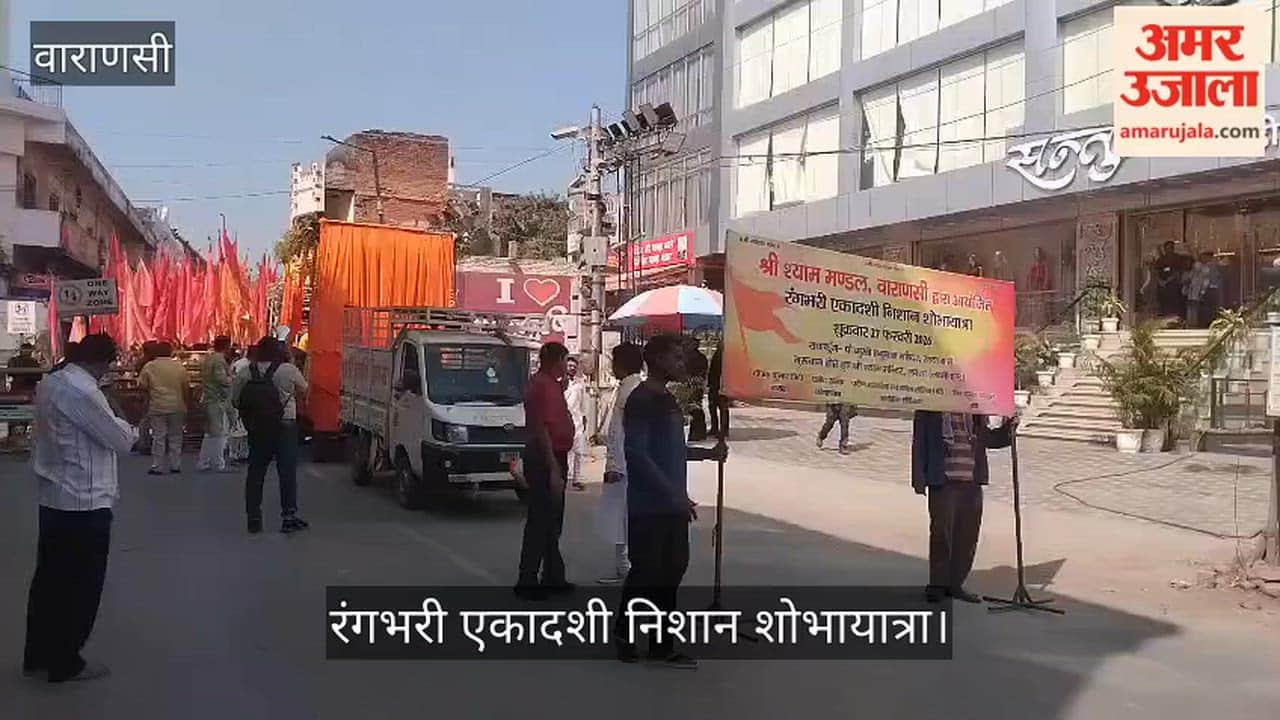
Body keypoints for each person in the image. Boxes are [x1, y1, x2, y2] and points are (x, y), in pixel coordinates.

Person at [24, 334, 137, 683]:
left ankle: (39, 654)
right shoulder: (84, 391)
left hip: (55, 497)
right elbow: (122, 441)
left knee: (50, 582)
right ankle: (66, 661)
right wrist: (123, 417)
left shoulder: (52, 382)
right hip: (85, 501)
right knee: (81, 587)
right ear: (102, 362)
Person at [616, 334, 726, 668]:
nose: (682, 363)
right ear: (659, 361)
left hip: (671, 504)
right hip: (650, 506)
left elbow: (670, 449)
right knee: (648, 572)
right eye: (677, 358)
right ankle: (626, 635)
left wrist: (706, 454)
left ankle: (661, 642)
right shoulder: (642, 400)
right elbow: (637, 453)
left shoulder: (666, 399)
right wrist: (674, 494)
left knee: (672, 570)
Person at [911, 411, 1014, 604]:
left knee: (968, 535)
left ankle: (955, 583)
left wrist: (1008, 428)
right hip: (943, 480)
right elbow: (919, 442)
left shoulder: (975, 408)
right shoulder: (931, 407)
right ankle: (937, 584)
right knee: (941, 532)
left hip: (972, 480)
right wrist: (919, 477)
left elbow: (988, 439)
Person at [515, 342, 576, 601]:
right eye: (564, 359)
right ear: (555, 360)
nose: (567, 365)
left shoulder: (551, 383)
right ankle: (527, 579)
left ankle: (553, 575)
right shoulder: (541, 386)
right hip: (544, 458)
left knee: (552, 520)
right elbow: (542, 429)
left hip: (555, 456)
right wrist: (552, 468)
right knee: (541, 521)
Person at [232, 337, 310, 534]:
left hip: (258, 427)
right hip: (285, 426)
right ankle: (288, 516)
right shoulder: (288, 370)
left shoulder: (245, 372)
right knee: (287, 472)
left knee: (256, 472)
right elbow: (305, 390)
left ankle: (254, 518)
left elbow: (235, 400)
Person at [597, 342, 643, 585]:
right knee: (621, 517)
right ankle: (624, 565)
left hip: (624, 467)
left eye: (614, 362)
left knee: (621, 518)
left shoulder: (631, 391)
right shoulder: (627, 388)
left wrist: (614, 465)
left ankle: (625, 567)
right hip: (623, 464)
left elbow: (621, 434)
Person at [138, 341, 188, 475]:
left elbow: (142, 386)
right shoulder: (179, 366)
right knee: (176, 436)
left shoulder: (149, 366)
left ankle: (157, 466)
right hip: (177, 405)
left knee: (158, 436)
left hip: (157, 406)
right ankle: (175, 465)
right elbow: (186, 387)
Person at [196, 336, 233, 472]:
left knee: (210, 433)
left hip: (209, 397)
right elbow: (221, 379)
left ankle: (204, 461)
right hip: (217, 399)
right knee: (218, 432)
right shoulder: (219, 360)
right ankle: (218, 462)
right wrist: (231, 378)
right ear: (226, 346)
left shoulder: (209, 359)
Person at [563, 355, 588, 492]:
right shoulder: (560, 382)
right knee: (567, 451)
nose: (572, 368)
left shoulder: (579, 383)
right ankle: (567, 477)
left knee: (579, 451)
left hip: (577, 420)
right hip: (563, 420)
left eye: (574, 366)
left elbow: (583, 403)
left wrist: (584, 419)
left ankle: (577, 479)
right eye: (569, 366)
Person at [1154, 241, 1191, 321]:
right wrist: (1160, 281)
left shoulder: (1177, 258)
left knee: (1175, 303)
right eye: (1167, 248)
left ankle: (1176, 320)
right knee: (1163, 303)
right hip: (1162, 285)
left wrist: (1168, 280)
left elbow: (1178, 271)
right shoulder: (1161, 260)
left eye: (1171, 247)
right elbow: (1156, 271)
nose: (1169, 249)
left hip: (1174, 285)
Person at [226, 348, 251, 464]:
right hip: (247, 402)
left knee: (237, 428)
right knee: (244, 430)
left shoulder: (237, 364)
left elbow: (232, 380)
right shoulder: (252, 368)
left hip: (239, 401)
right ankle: (243, 453)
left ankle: (234, 453)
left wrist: (234, 400)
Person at [1187, 251, 1223, 329]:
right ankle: (1192, 325)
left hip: (1203, 293)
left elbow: (1207, 281)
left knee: (1201, 310)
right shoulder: (1199, 267)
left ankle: (1197, 324)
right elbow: (1190, 277)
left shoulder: (1208, 268)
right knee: (1194, 309)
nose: (1202, 258)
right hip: (1194, 292)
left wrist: (1202, 291)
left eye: (1204, 257)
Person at [707, 342, 728, 439]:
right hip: (714, 385)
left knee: (723, 408)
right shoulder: (717, 355)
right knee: (712, 407)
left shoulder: (727, 357)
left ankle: (723, 430)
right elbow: (712, 370)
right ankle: (714, 428)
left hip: (723, 386)